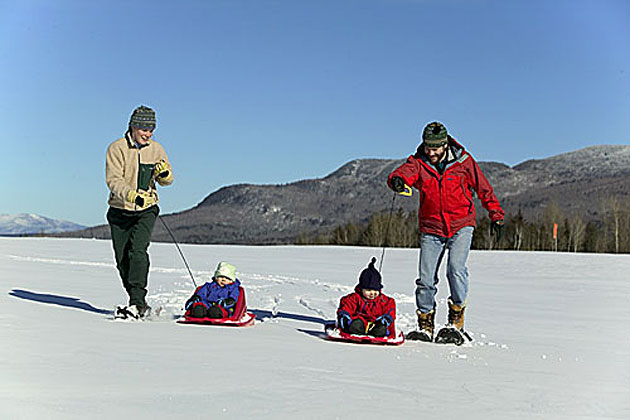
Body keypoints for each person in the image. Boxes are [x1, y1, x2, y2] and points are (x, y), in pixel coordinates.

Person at [387, 121, 504, 342]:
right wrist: (397, 180)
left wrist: (496, 215)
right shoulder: (419, 162)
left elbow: (484, 189)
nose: (431, 152)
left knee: (455, 270)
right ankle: (425, 324)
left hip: (461, 224)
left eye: (435, 148)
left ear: (445, 144)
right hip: (432, 228)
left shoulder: (464, 162)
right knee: (426, 279)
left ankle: (456, 320)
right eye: (427, 147)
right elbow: (404, 173)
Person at [106, 105, 174, 318]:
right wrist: (131, 195)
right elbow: (113, 181)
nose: (149, 133)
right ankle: (139, 302)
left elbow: (167, 179)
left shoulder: (157, 149)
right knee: (122, 260)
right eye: (145, 129)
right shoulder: (116, 149)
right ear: (133, 127)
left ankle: (136, 301)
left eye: (152, 129)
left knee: (138, 251)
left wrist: (164, 175)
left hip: (147, 209)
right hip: (120, 210)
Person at [337, 257, 396, 338]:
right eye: (368, 290)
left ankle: (378, 331)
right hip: (359, 322)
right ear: (361, 289)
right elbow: (346, 307)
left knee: (381, 329)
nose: (372, 293)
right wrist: (345, 317)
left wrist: (385, 320)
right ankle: (355, 328)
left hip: (376, 324)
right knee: (356, 325)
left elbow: (390, 311)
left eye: (376, 290)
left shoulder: (385, 301)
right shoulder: (354, 298)